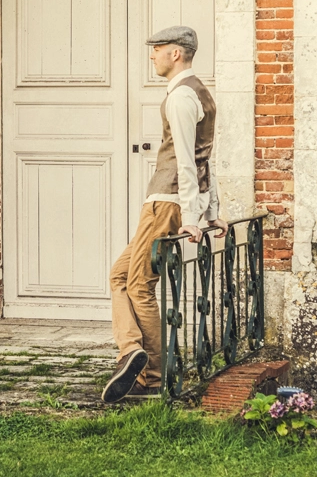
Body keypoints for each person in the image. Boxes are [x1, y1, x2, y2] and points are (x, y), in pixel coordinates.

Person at [102, 27, 228, 403]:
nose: (152, 56)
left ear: (176, 53)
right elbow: (207, 159)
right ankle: (132, 352)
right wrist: (212, 211)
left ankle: (153, 373)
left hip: (166, 202)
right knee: (120, 276)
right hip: (172, 200)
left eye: (157, 50)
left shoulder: (181, 97)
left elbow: (189, 162)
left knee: (138, 285)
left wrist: (193, 216)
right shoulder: (198, 92)